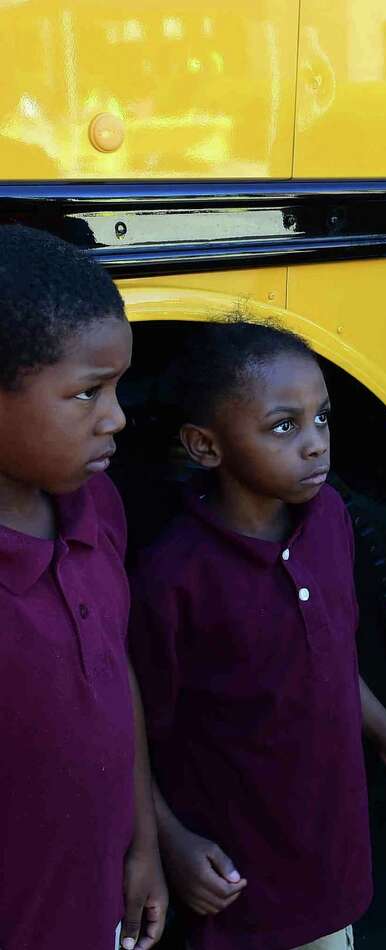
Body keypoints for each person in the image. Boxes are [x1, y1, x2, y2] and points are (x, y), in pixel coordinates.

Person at [128, 321, 386, 950]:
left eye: (322, 418)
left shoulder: (329, 519)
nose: (316, 445)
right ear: (205, 446)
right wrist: (171, 841)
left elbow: (328, 656)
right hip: (236, 879)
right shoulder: (174, 578)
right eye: (284, 426)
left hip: (329, 858)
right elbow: (131, 726)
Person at [0, 225, 167, 950]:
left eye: (119, 387)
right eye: (87, 393)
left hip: (98, 905)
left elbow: (110, 668)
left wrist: (145, 847)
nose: (118, 416)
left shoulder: (96, 510)